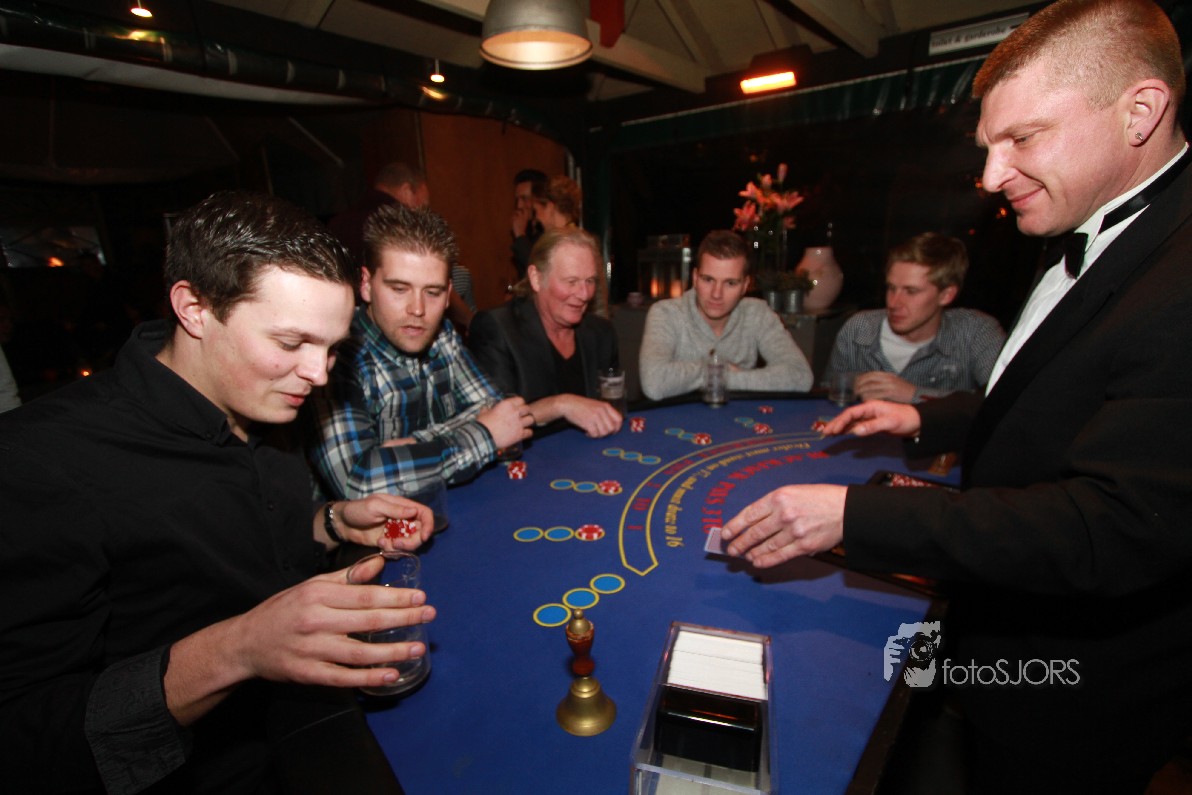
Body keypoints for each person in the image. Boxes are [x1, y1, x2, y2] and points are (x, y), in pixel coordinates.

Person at [721, 1, 1192, 791]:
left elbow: (1108, 528)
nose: (992, 176)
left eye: (1023, 138)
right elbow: (1053, 403)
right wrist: (923, 415)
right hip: (1008, 638)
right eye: (988, 146)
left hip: (1076, 692)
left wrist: (853, 515)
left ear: (1140, 111)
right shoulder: (1085, 229)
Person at [0, 191, 438, 794]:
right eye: (291, 343)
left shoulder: (264, 403)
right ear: (194, 309)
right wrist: (237, 649)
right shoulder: (39, 461)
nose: (318, 374)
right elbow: (23, 739)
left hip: (309, 730)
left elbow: (234, 539)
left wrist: (333, 521)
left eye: (333, 348)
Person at [308, 203, 532, 500]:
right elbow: (358, 483)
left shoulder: (442, 335)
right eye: (399, 289)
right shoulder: (336, 356)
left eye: (432, 292)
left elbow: (504, 415)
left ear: (448, 294)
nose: (418, 309)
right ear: (366, 285)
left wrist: (412, 445)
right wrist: (484, 434)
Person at [468, 226, 622, 438]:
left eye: (590, 281)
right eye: (571, 281)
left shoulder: (601, 333)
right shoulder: (497, 328)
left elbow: (611, 408)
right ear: (536, 278)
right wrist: (561, 405)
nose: (584, 294)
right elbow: (494, 422)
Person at [823, 232, 1006, 403]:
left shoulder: (975, 332)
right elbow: (825, 396)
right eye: (891, 288)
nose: (894, 303)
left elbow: (1002, 402)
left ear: (946, 295)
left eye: (911, 291)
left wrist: (913, 394)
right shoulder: (859, 329)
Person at [638, 230, 813, 400]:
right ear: (695, 278)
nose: (716, 294)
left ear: (745, 285)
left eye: (730, 283)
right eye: (708, 279)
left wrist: (726, 379)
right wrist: (720, 371)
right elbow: (654, 384)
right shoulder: (666, 314)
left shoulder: (757, 313)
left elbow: (801, 376)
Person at [328, 161, 430, 267]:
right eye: (423, 206)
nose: (421, 213)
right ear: (406, 190)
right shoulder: (402, 224)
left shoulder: (338, 223)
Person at [511, 167, 547, 280]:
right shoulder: (530, 231)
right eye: (517, 200)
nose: (519, 206)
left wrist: (520, 235)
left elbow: (539, 271)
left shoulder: (549, 231)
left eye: (524, 199)